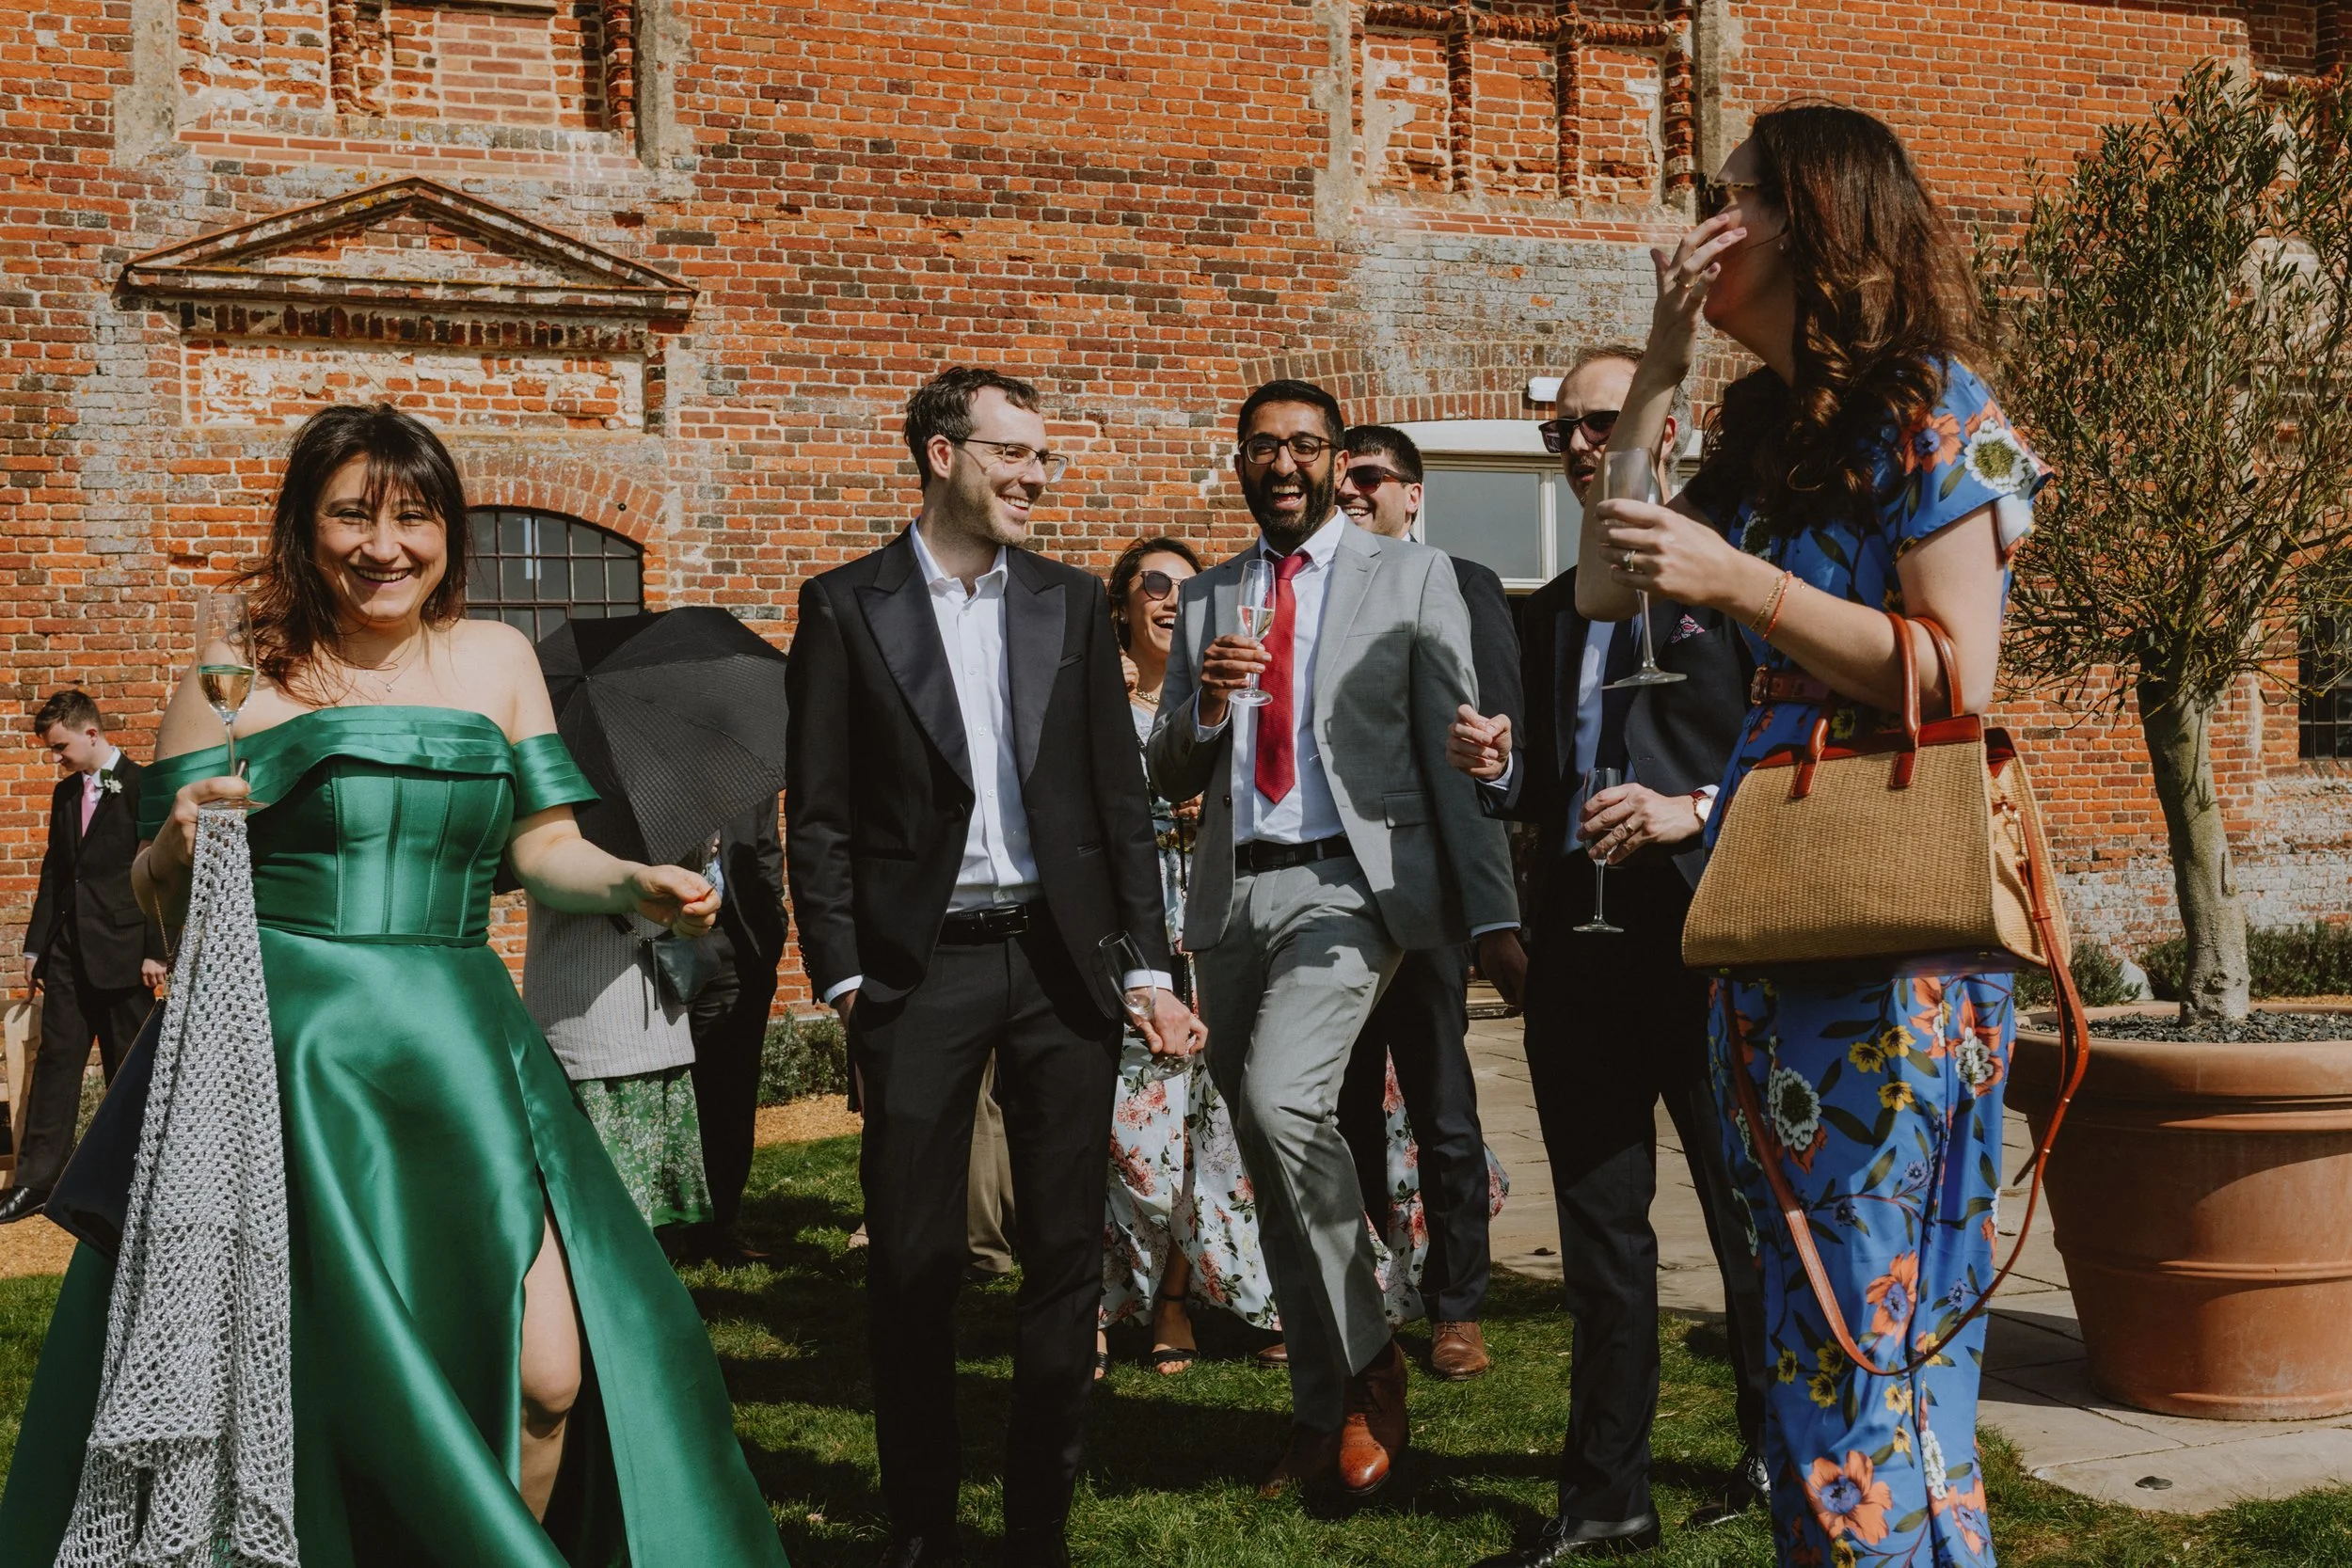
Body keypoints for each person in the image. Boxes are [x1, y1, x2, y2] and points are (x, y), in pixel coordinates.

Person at [0, 404, 786, 1564]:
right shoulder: (236, 683)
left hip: (463, 1050)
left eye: (414, 517)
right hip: (284, 1059)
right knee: (312, 1383)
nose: (386, 545)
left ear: (447, 532)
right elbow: (156, 889)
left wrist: (629, 877)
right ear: (301, 528)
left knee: (550, 1373)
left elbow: (541, 847)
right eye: (352, 515)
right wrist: (170, 845)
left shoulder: (497, 660)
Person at [1574, 106, 2046, 1568]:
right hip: (1776, 918)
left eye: (1724, 203)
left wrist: (1743, 586)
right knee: (1796, 1351)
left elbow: (1960, 670)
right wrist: (1657, 368)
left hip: (1892, 943)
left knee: (1873, 1340)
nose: (1691, 230)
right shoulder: (1768, 429)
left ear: (1815, 219)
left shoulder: (1933, 407)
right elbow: (1602, 582)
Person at [787, 366, 1199, 1568]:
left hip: (1061, 962)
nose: (1034, 476)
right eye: (1012, 453)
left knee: (1066, 1255)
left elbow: (1117, 805)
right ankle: (920, 1519)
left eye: (1043, 458)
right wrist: (848, 976)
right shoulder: (844, 605)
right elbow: (815, 811)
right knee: (913, 1261)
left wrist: (1146, 968)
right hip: (918, 972)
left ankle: (1036, 1525)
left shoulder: (1070, 604)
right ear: (937, 454)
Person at [1146, 379, 1521, 1500]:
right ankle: (1322, 1407)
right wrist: (1206, 711)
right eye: (1262, 446)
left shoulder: (1411, 578)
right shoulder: (1211, 596)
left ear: (1336, 465)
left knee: (1281, 1100)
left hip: (1352, 886)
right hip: (1232, 896)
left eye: (1306, 446)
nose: (1284, 463)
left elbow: (1453, 743)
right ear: (1241, 465)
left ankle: (1369, 1352)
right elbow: (1164, 766)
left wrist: (1494, 911)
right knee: (1268, 1157)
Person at [1450, 347, 1769, 1564]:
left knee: (1746, 1223)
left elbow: (1799, 748)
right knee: (1601, 1233)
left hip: (1706, 932)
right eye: (1565, 433)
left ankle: (1771, 1453)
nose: (1583, 446)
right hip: (1576, 949)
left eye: (1601, 423)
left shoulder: (1732, 576)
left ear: (1665, 428)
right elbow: (1541, 776)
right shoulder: (1546, 608)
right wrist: (1501, 767)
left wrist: (1692, 807)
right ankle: (1606, 1498)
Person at [1332, 424, 1523, 1381]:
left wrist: (1491, 909)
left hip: (1427, 890)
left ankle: (1457, 1304)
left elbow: (1491, 739)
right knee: (1346, 1106)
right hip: (1331, 896)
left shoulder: (1463, 579)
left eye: (1369, 477)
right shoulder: (1312, 591)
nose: (1351, 493)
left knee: (1444, 1104)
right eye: (1343, 480)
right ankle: (1376, 1289)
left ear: (1413, 491)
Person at [1096, 536, 1279, 1373]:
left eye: (1184, 584)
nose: (1172, 597)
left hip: (1215, 919)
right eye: (1154, 583)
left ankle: (1174, 1300)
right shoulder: (1094, 703)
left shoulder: (1228, 695)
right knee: (1129, 1134)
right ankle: (1096, 1298)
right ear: (1125, 604)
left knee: (1212, 1129)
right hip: (1135, 933)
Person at [8, 691, 166, 1221]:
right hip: (69, 956)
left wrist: (155, 951)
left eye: (60, 747)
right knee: (56, 1067)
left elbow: (160, 873)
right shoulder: (62, 795)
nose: (57, 758)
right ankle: (36, 1183)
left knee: (128, 1074)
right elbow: (56, 872)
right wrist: (37, 946)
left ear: (91, 734)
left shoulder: (145, 788)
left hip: (126, 956)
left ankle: (133, 1186)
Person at [523, 890, 715, 1236]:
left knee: (603, 1209)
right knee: (592, 1203)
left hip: (645, 1011)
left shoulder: (658, 838)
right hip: (583, 1020)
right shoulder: (555, 840)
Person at [689, 797, 791, 1264]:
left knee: (730, 1096)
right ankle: (666, 1226)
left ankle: (719, 1224)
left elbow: (767, 852)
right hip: (660, 944)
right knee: (672, 1093)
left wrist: (771, 929)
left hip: (738, 948)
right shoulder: (649, 766)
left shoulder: (746, 777)